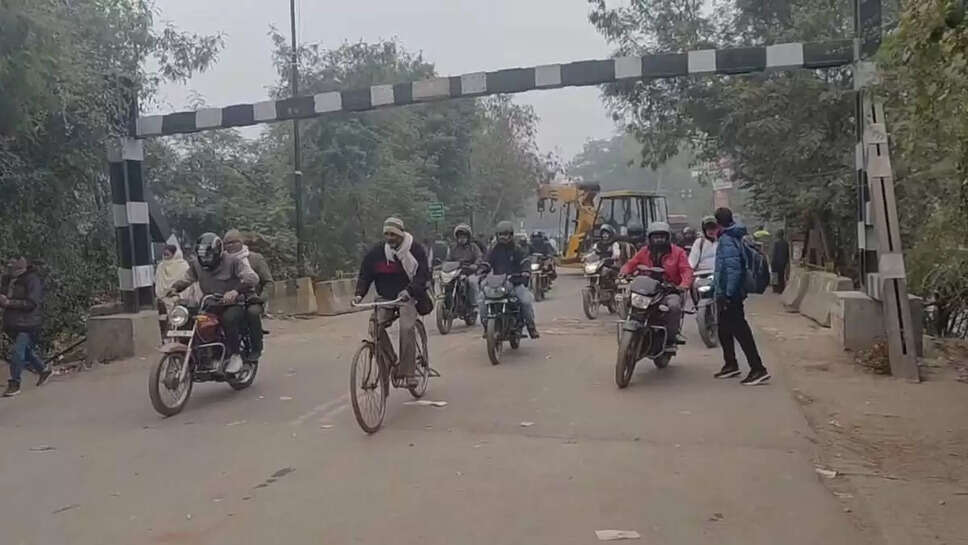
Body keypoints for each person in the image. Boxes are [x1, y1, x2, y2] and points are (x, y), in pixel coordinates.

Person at [353, 217, 432, 388]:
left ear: (401, 234)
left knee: (407, 327)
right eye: (387, 234)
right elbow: (365, 275)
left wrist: (409, 291)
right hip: (385, 298)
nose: (390, 238)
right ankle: (391, 360)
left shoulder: (415, 250)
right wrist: (359, 294)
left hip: (407, 297)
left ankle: (408, 372)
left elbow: (423, 274)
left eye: (393, 234)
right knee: (375, 327)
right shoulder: (377, 253)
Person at [168, 233, 259, 374]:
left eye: (208, 255)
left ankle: (235, 356)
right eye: (202, 255)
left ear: (217, 252)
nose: (205, 259)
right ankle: (200, 354)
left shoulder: (233, 262)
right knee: (193, 320)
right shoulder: (197, 265)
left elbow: (252, 278)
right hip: (210, 303)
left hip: (232, 304)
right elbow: (187, 279)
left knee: (228, 319)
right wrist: (175, 288)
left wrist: (235, 291)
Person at [712, 207, 770, 385]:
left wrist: (728, 294)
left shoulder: (727, 240)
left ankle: (758, 368)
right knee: (723, 329)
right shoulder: (733, 235)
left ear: (718, 223)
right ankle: (730, 364)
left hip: (732, 294)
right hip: (727, 293)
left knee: (741, 331)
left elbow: (733, 269)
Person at [620, 222, 694, 348]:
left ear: (667, 238)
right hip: (646, 289)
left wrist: (684, 284)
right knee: (627, 300)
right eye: (655, 237)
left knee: (674, 306)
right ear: (650, 238)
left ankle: (672, 335)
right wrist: (624, 273)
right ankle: (632, 327)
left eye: (662, 237)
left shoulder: (678, 252)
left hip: (669, 289)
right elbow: (631, 264)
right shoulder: (644, 251)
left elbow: (686, 270)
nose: (659, 240)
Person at [1, 257, 51, 397]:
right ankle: (43, 369)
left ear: (21, 268)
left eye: (12, 267)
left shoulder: (32, 280)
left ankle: (14, 383)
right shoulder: (7, 280)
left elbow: (31, 303)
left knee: (17, 352)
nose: (9, 270)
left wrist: (9, 303)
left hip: (28, 323)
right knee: (25, 351)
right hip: (12, 323)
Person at [480, 221, 539, 339]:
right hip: (497, 283)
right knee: (482, 300)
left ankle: (531, 327)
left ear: (511, 235)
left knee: (525, 301)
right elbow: (486, 262)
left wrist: (525, 271)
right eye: (501, 234)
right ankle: (486, 327)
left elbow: (525, 262)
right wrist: (482, 270)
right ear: (497, 235)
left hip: (515, 282)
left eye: (506, 234)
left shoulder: (517, 249)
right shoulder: (493, 250)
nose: (504, 237)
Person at [224, 229, 272, 361]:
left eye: (234, 242)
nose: (231, 245)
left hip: (252, 299)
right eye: (227, 243)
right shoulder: (223, 261)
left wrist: (261, 299)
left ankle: (256, 348)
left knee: (252, 313)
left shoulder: (255, 259)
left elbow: (268, 282)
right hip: (231, 300)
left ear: (242, 242)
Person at [155, 243, 190, 336]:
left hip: (180, 300)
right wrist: (164, 296)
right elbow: (159, 285)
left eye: (168, 255)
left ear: (175, 255)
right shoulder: (160, 267)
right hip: (164, 300)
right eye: (164, 255)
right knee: (165, 325)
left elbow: (188, 285)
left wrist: (178, 296)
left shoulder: (184, 266)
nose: (165, 257)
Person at [447, 223, 483, 307]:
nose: (461, 239)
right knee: (446, 283)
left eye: (463, 237)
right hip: (456, 272)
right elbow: (448, 259)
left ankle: (475, 304)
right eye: (459, 237)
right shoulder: (453, 247)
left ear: (468, 237)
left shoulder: (473, 247)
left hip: (470, 272)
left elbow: (479, 257)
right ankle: (448, 302)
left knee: (472, 282)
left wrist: (475, 265)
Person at [771, 229, 791, 294]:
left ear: (778, 235)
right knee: (781, 276)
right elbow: (787, 254)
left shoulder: (776, 243)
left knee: (774, 275)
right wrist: (787, 262)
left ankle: (775, 289)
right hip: (783, 262)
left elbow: (774, 253)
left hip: (776, 262)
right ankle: (781, 289)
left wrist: (772, 262)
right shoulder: (786, 243)